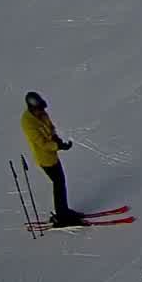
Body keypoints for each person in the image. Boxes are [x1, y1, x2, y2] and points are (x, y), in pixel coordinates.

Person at [20, 92, 84, 226]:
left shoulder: (41, 114)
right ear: (32, 108)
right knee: (58, 182)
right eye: (39, 109)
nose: (42, 112)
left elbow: (50, 128)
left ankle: (63, 211)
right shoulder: (27, 123)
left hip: (52, 155)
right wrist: (57, 146)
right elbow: (42, 143)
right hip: (44, 159)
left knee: (60, 182)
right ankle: (62, 216)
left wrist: (59, 141)